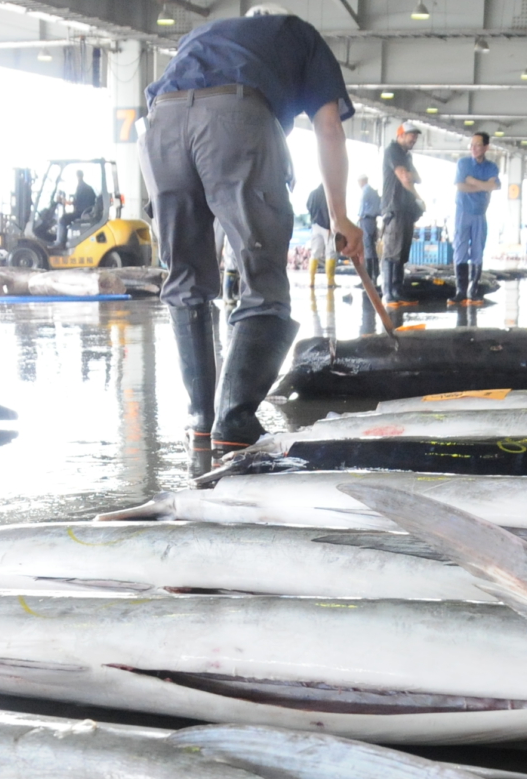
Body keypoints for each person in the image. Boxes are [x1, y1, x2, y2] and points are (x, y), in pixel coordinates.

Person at [141, 6, 358, 458]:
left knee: (185, 281)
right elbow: (329, 128)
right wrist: (338, 214)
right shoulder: (299, 34)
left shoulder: (206, 34)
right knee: (263, 281)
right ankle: (233, 420)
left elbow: (172, 106)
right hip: (232, 117)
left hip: (160, 124)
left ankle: (202, 419)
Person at [452, 132, 498, 307]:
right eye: (471, 145)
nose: (473, 148)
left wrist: (472, 181)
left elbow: (493, 186)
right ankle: (461, 291)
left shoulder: (492, 167)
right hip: (463, 210)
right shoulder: (463, 163)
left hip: (480, 212)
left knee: (478, 249)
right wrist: (482, 185)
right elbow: (460, 186)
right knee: (460, 248)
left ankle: (473, 289)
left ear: (486, 147)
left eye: (477, 145)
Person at [380, 120, 423, 306]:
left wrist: (411, 178)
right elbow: (405, 177)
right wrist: (418, 198)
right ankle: (388, 293)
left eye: (415, 136)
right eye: (410, 135)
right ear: (400, 135)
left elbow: (418, 177)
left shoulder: (407, 157)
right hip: (394, 208)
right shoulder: (393, 151)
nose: (413, 138)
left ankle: (397, 291)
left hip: (405, 209)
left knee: (402, 253)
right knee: (392, 252)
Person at [304, 183, 339, 293]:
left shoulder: (313, 193)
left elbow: (308, 205)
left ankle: (311, 281)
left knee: (315, 253)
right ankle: (330, 281)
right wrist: (329, 225)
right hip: (327, 226)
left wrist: (314, 218)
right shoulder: (329, 193)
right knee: (330, 253)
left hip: (315, 226)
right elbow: (330, 211)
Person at [357, 173, 381, 282]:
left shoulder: (365, 192)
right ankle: (376, 274)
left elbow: (362, 207)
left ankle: (368, 276)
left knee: (367, 247)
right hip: (373, 220)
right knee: (372, 247)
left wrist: (360, 217)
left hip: (366, 220)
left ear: (362, 181)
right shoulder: (374, 192)